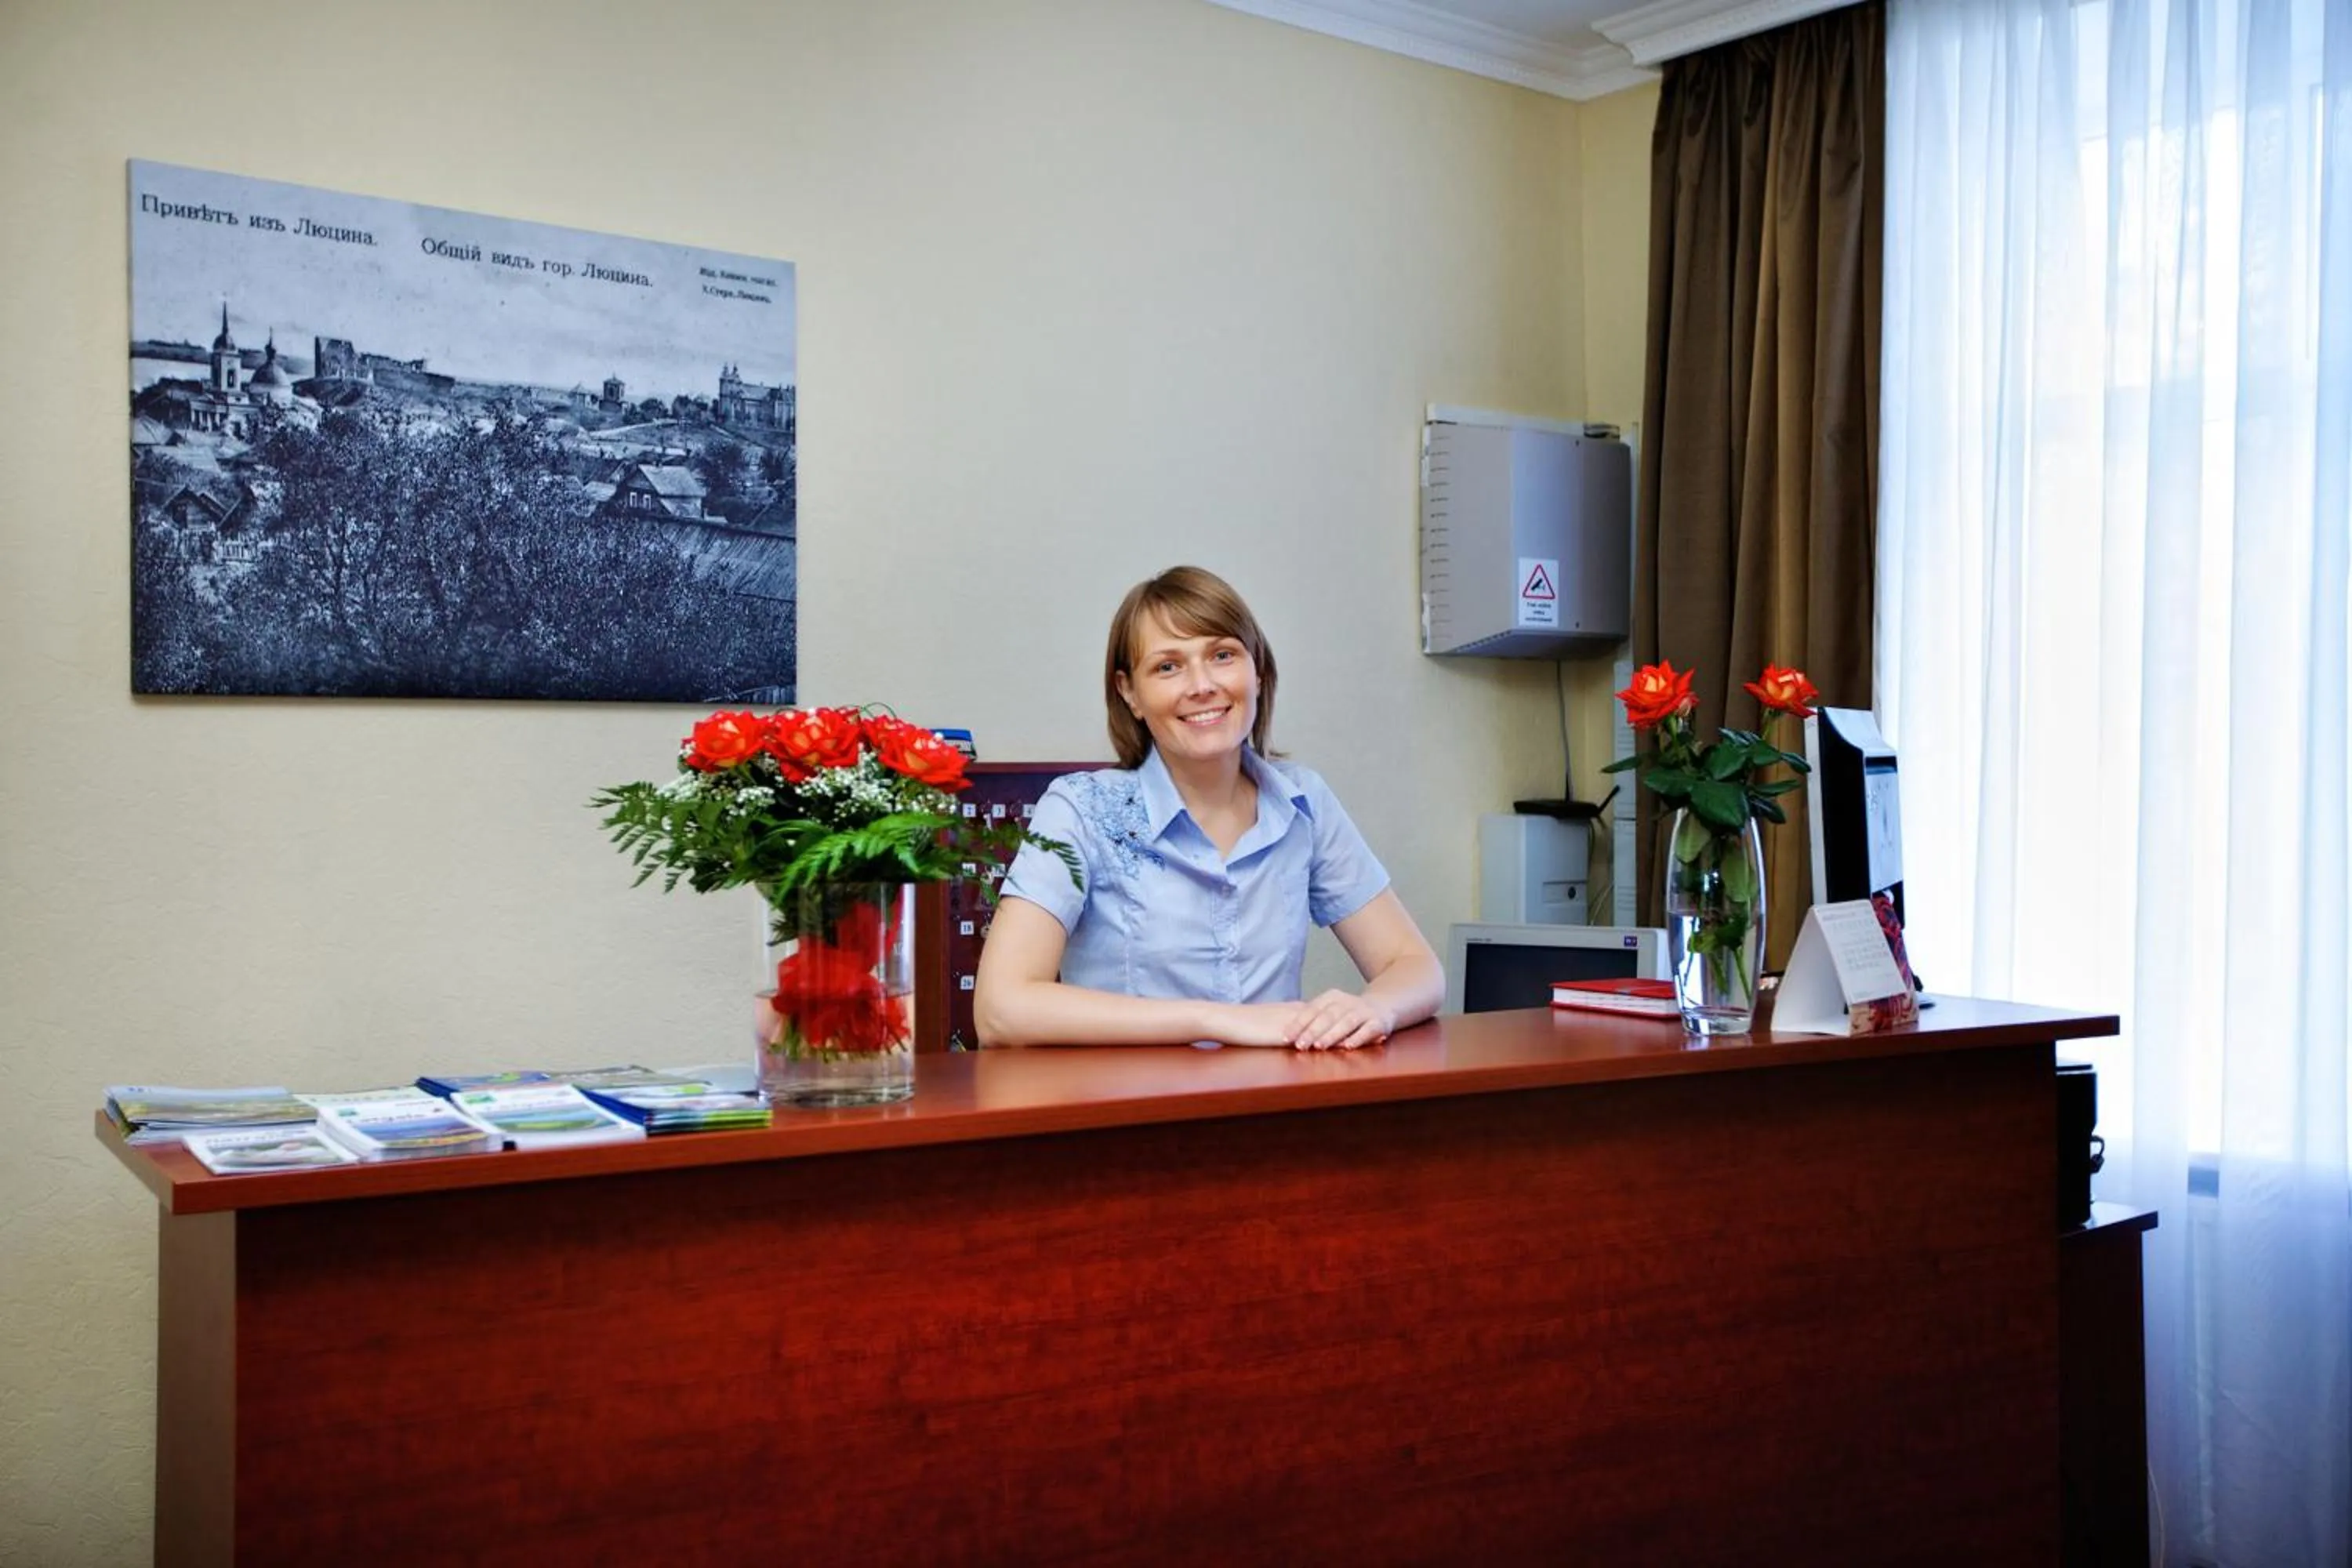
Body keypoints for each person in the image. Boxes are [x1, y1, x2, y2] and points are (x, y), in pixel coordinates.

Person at [975, 566, 1445, 1050]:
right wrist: (1216, 1020)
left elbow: (1414, 965)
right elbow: (1000, 1009)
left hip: (1272, 1093)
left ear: (1257, 672)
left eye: (1222, 655)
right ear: (1129, 692)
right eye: (1167, 667)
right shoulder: (1081, 809)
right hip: (1126, 1097)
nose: (1201, 685)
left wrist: (1375, 1009)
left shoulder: (1303, 799)